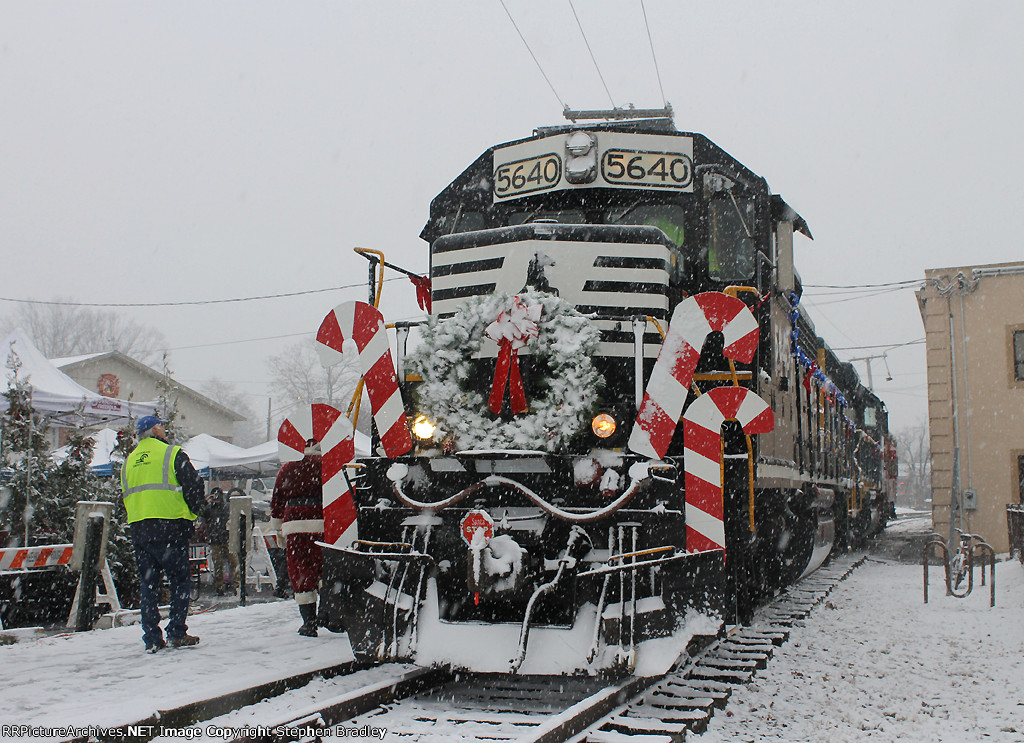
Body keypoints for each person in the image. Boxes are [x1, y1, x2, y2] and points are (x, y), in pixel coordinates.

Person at [121, 415, 207, 652]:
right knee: (180, 581)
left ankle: (151, 637)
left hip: (140, 529)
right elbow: (193, 485)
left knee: (149, 585)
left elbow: (127, 495)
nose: (165, 431)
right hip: (170, 528)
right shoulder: (172, 454)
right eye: (162, 427)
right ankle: (176, 632)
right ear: (155, 429)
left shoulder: (129, 461)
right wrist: (198, 510)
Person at [270, 438, 324, 637]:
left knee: (300, 571)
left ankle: (309, 623)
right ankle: (326, 612)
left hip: (294, 524)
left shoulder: (287, 468)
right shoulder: (327, 465)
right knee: (323, 568)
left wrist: (277, 525)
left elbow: (277, 500)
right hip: (322, 522)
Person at [202, 487, 238, 596]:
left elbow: (234, 518)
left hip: (226, 539)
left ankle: (236, 585)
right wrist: (205, 502)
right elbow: (200, 513)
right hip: (215, 540)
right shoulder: (209, 509)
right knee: (218, 564)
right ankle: (220, 586)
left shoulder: (227, 507)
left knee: (233, 562)